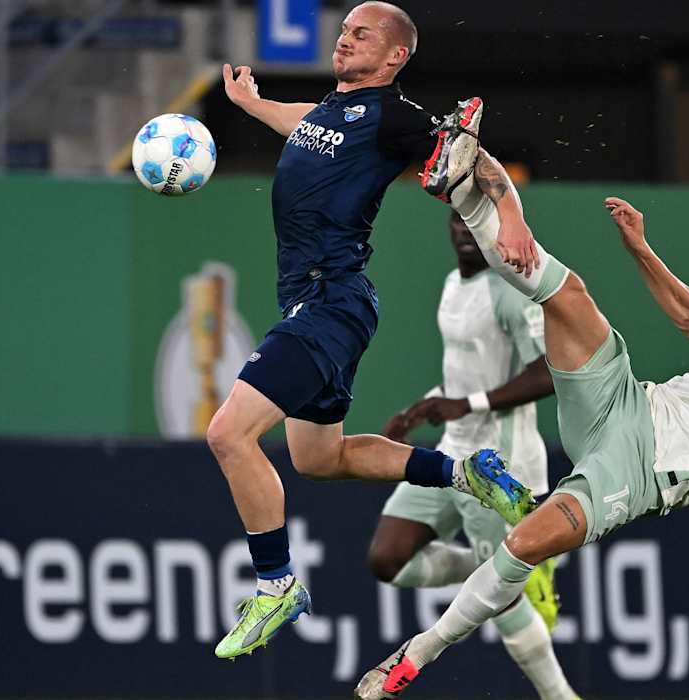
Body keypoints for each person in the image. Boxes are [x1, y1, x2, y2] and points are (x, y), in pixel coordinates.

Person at [355, 115, 689, 696]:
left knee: (522, 545)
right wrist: (640, 249)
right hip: (623, 400)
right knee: (566, 293)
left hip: (641, 471)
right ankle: (466, 182)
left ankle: (415, 656)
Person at [209, 2, 536, 659]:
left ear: (394, 56)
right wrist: (253, 104)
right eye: (344, 30)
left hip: (330, 301)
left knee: (228, 434)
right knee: (318, 459)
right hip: (316, 302)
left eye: (361, 34)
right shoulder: (333, 111)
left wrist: (512, 218)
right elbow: (303, 125)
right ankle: (466, 473)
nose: (344, 39)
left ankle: (276, 586)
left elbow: (481, 162)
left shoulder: (394, 116)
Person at [368, 211, 578, 700]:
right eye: (458, 221)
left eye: (474, 222)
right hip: (451, 455)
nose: (466, 230)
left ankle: (561, 696)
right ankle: (511, 569)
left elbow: (550, 371)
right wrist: (420, 409)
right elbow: (464, 377)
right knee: (388, 558)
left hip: (499, 467)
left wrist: (469, 404)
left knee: (499, 601)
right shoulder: (452, 285)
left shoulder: (511, 292)